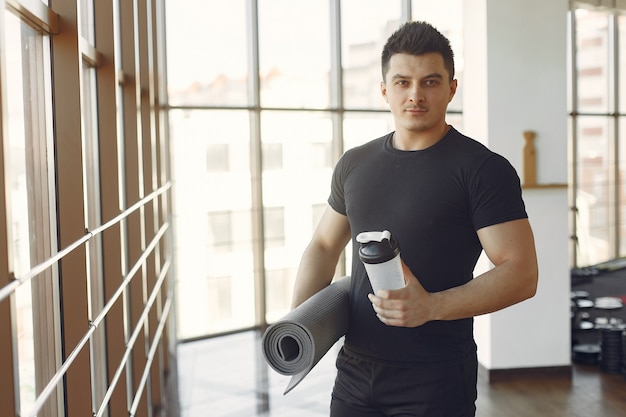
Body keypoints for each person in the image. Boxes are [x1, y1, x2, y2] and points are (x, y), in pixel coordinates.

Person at [290, 21, 538, 417]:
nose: (415, 95)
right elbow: (323, 245)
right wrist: (299, 324)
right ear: (385, 89)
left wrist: (431, 307)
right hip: (355, 371)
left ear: (452, 88)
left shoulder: (482, 169)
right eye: (403, 82)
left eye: (431, 82)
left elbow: (522, 273)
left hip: (436, 378)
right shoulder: (355, 164)